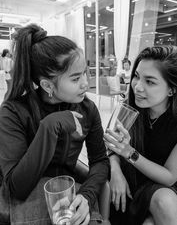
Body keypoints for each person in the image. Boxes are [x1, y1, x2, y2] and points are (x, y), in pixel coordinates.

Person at [0, 24, 109, 225]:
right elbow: (18, 187)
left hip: (69, 191)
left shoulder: (87, 109)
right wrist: (49, 127)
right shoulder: (13, 112)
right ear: (48, 85)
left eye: (84, 73)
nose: (86, 83)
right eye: (76, 78)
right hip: (25, 197)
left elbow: (100, 160)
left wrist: (86, 195)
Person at [104, 45, 177, 225]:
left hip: (172, 187)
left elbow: (169, 176)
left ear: (172, 89)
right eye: (137, 77)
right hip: (134, 181)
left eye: (150, 81)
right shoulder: (129, 107)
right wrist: (116, 170)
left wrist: (129, 153)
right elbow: (110, 145)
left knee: (162, 202)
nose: (137, 87)